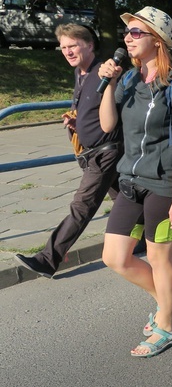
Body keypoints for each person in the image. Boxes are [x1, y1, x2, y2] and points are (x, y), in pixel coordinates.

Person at [98, 6, 172, 357]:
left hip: (165, 184)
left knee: (160, 258)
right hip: (130, 180)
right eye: (127, 32)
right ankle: (168, 299)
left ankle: (167, 325)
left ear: (157, 41)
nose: (128, 37)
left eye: (136, 32)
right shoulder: (128, 79)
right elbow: (108, 125)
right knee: (114, 256)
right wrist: (110, 83)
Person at [14, 24, 122, 278]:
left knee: (82, 205)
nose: (67, 51)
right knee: (123, 197)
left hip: (105, 153)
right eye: (63, 47)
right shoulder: (80, 72)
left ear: (89, 45)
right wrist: (78, 122)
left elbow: (116, 112)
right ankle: (140, 237)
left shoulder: (103, 73)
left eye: (73, 45)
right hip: (92, 151)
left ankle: (47, 259)